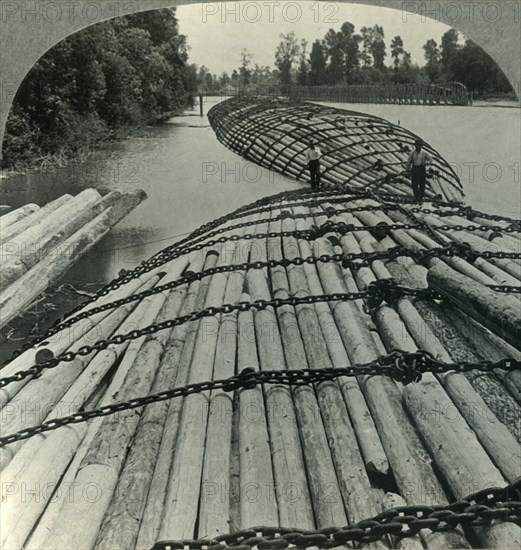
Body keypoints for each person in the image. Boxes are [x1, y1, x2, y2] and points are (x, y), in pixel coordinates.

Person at [406, 139, 432, 203]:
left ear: (421, 146)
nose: (418, 147)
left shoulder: (424, 153)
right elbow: (408, 163)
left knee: (422, 184)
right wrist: (408, 171)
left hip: (422, 169)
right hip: (414, 169)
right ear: (415, 146)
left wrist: (427, 163)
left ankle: (420, 198)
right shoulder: (412, 153)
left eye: (419, 146)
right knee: (414, 184)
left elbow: (430, 159)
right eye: (417, 146)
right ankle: (416, 197)